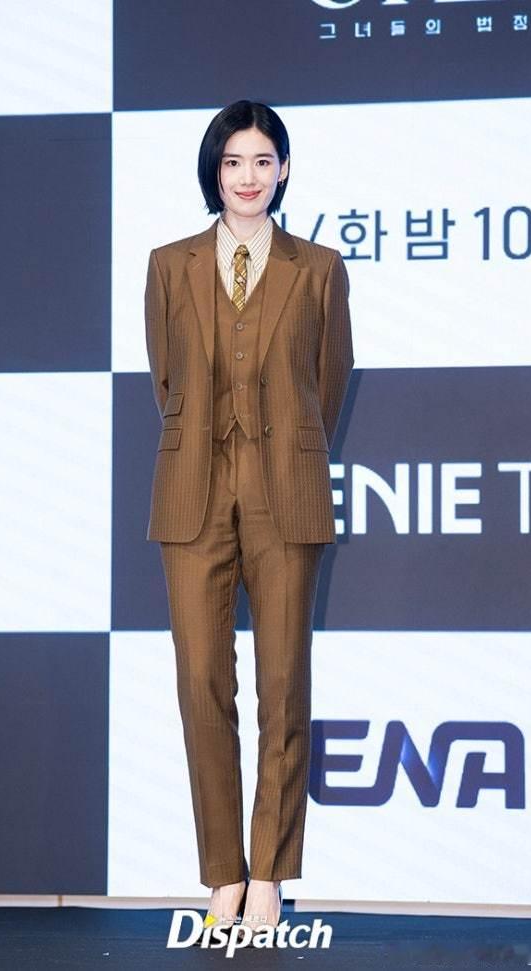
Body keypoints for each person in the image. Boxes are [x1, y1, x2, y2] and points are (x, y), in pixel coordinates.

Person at [144, 99, 353, 943]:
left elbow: (328, 380)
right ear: (214, 170)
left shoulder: (319, 268)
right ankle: (222, 871)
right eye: (233, 161)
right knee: (201, 684)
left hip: (283, 492)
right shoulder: (169, 264)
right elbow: (166, 381)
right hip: (192, 490)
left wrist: (286, 448)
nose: (248, 176)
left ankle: (268, 871)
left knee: (283, 685)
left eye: (263, 160)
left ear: (285, 170)